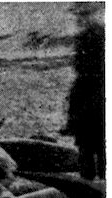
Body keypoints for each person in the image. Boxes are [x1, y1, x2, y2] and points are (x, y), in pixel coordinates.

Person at [64, 4, 105, 180]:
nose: (80, 19)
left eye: (84, 15)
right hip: (92, 96)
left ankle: (92, 185)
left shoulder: (94, 36)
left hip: (92, 96)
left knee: (91, 148)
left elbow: (82, 67)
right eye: (79, 15)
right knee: (94, 147)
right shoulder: (95, 34)